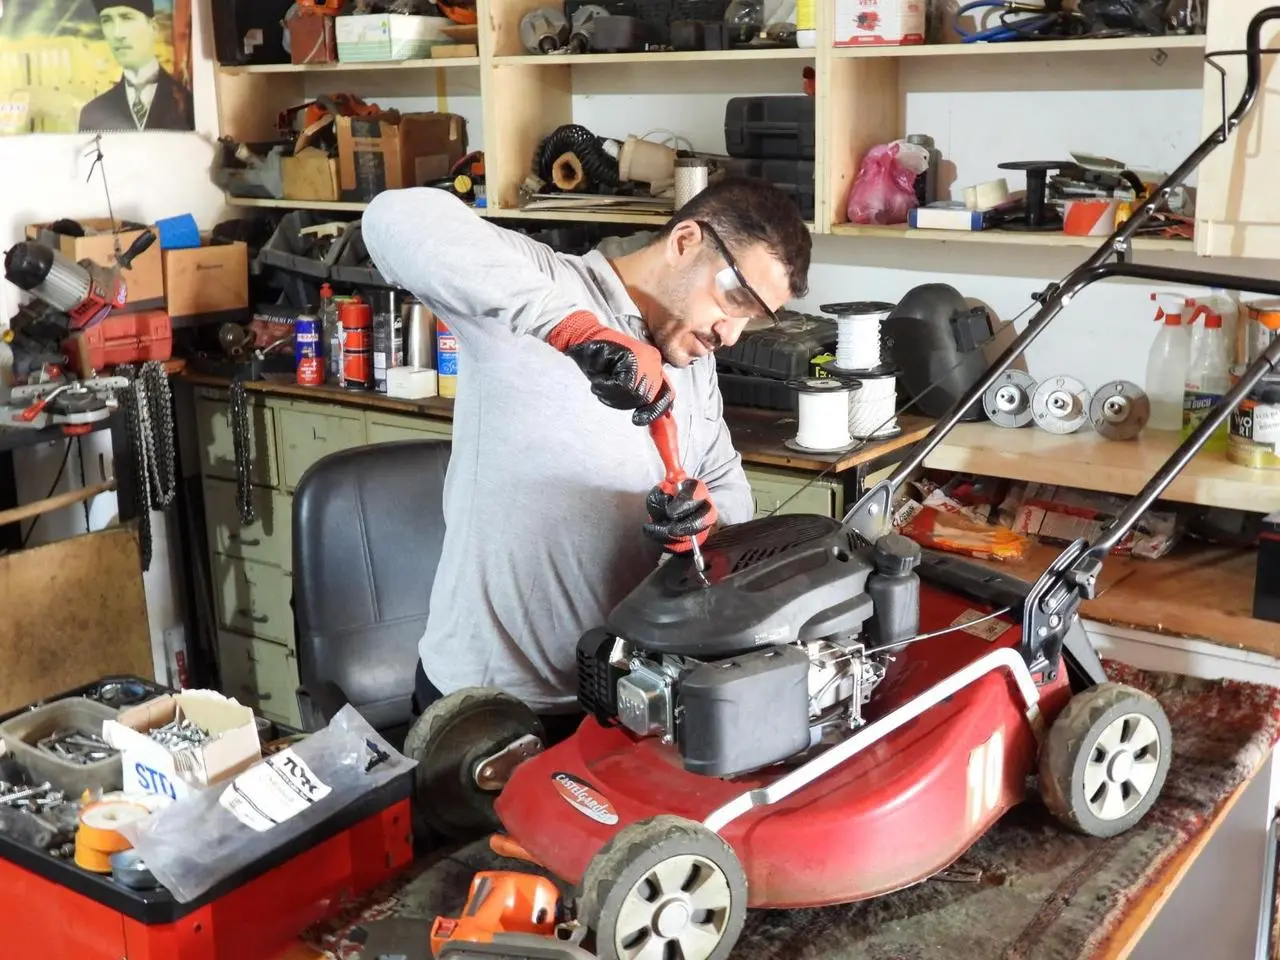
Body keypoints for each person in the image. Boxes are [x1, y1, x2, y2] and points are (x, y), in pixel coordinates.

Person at [361, 177, 812, 739]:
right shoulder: (549, 284)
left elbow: (723, 477)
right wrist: (575, 330)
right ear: (685, 242)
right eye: (735, 299)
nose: (733, 333)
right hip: (490, 706)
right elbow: (393, 217)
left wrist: (710, 516)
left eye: (755, 317)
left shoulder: (694, 361)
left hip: (624, 698)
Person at [79, 0, 194, 133]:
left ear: (154, 28)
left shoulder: (189, 104)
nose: (117, 34)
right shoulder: (92, 115)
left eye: (127, 18)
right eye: (107, 20)